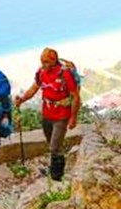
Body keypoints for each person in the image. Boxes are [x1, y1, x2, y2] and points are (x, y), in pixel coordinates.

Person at [14, 47, 80, 181]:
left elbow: (75, 96)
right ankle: (56, 168)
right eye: (42, 62)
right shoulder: (41, 72)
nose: (43, 65)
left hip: (61, 115)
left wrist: (73, 117)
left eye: (46, 62)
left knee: (54, 147)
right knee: (52, 144)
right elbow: (34, 88)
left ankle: (56, 177)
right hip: (47, 114)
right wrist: (22, 99)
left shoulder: (64, 74)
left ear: (54, 61)